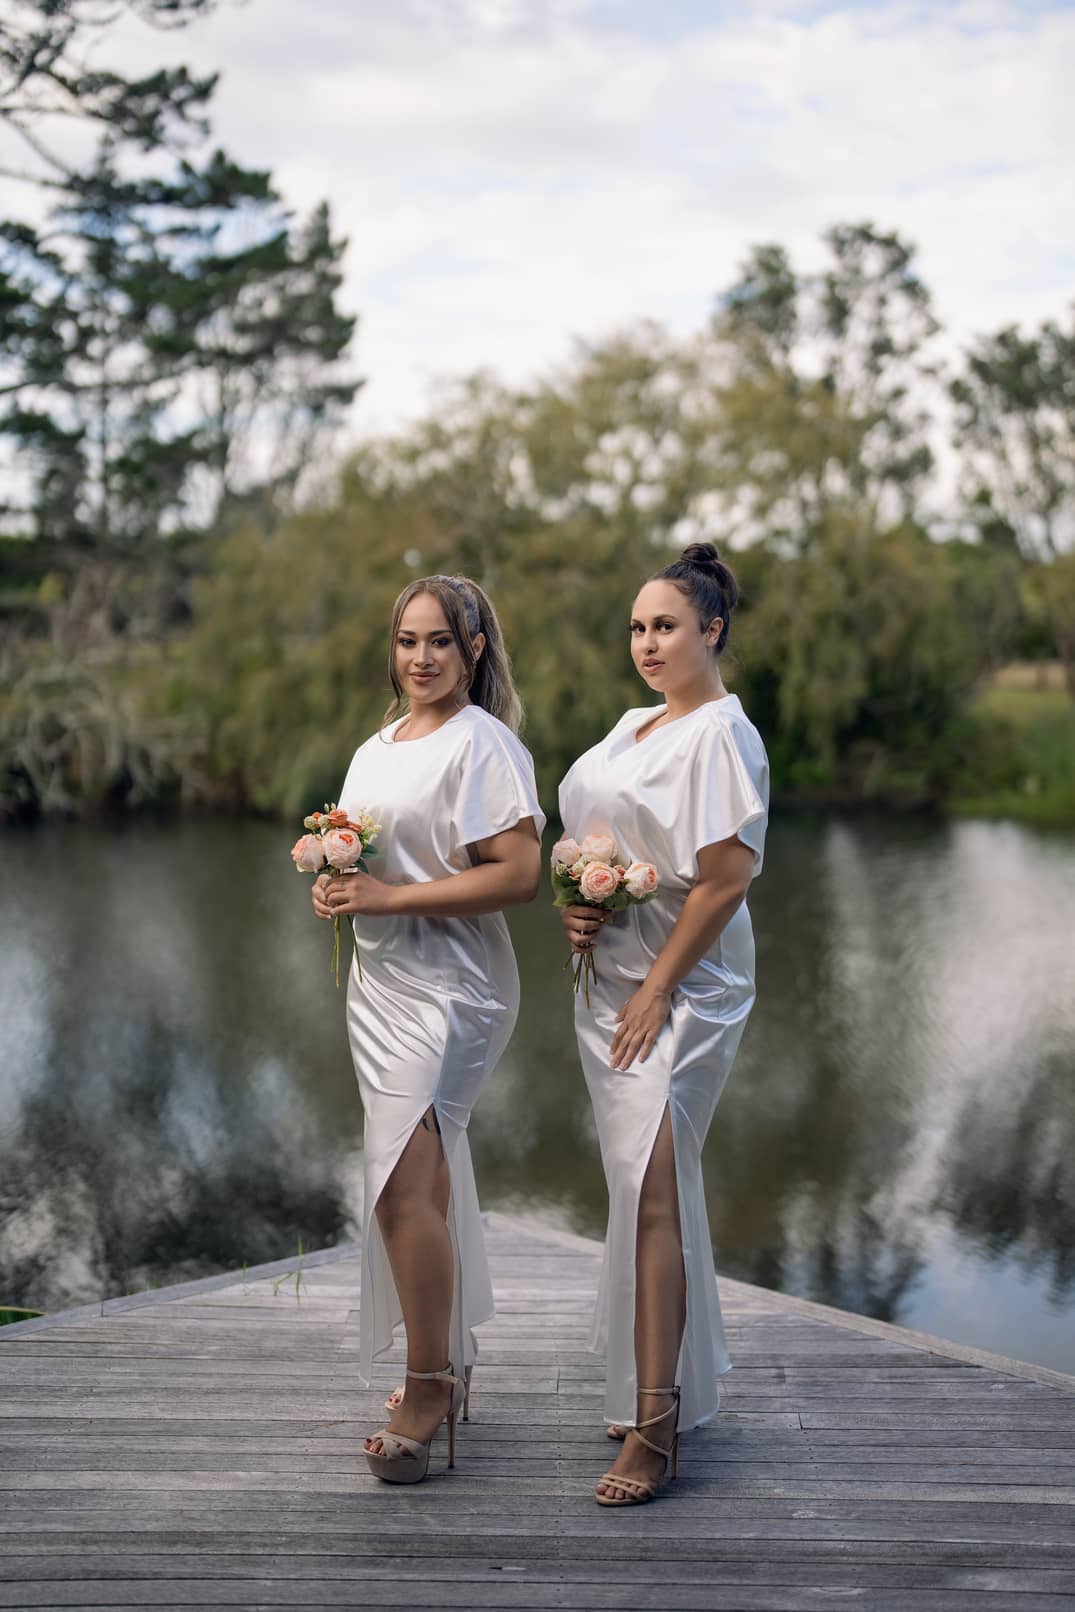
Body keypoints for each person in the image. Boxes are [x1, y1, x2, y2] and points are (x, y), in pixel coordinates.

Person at [314, 575, 544, 1485]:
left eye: (439, 642)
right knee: (419, 1185)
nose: (419, 658)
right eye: (407, 641)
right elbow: (361, 851)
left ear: (474, 648)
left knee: (398, 1193)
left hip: (452, 987)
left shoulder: (482, 745)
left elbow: (520, 873)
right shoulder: (376, 748)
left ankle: (428, 1382)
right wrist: (335, 883)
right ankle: (447, 1362)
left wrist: (390, 895)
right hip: (379, 983)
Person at [557, 541, 769, 1507]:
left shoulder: (721, 734)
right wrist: (582, 903)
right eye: (638, 626)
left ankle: (656, 1425)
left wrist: (654, 992)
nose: (647, 643)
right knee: (643, 1189)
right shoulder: (632, 725)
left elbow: (724, 879)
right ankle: (644, 1383)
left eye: (667, 626)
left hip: (686, 989)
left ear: (711, 630)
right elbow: (601, 840)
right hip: (609, 977)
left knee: (650, 1189)